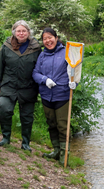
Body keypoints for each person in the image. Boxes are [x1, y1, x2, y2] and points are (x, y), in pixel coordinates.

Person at [0, 20, 41, 152]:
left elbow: (41, 66)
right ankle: (6, 137)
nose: (21, 33)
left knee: (27, 116)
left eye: (24, 31)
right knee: (4, 109)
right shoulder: (6, 46)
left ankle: (25, 143)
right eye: (19, 31)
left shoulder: (36, 48)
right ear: (14, 32)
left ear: (28, 32)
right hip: (9, 85)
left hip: (28, 87)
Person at [32, 27, 76, 165]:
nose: (48, 41)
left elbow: (75, 68)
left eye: (50, 37)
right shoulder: (42, 55)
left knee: (62, 125)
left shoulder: (66, 52)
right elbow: (35, 73)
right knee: (51, 124)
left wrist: (75, 82)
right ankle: (56, 151)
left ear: (56, 38)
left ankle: (64, 155)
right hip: (46, 95)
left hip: (62, 95)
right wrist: (45, 80)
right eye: (45, 39)